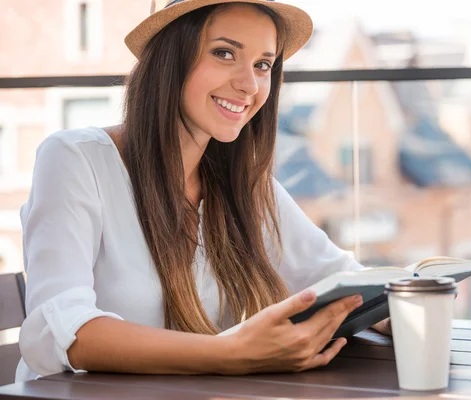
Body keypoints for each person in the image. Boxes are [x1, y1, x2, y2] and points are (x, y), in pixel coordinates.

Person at [15, 0, 391, 382]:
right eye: (224, 53)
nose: (249, 84)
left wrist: (400, 310)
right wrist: (233, 352)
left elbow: (338, 277)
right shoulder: (76, 159)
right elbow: (60, 330)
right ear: (171, 58)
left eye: (263, 65)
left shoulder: (244, 186)